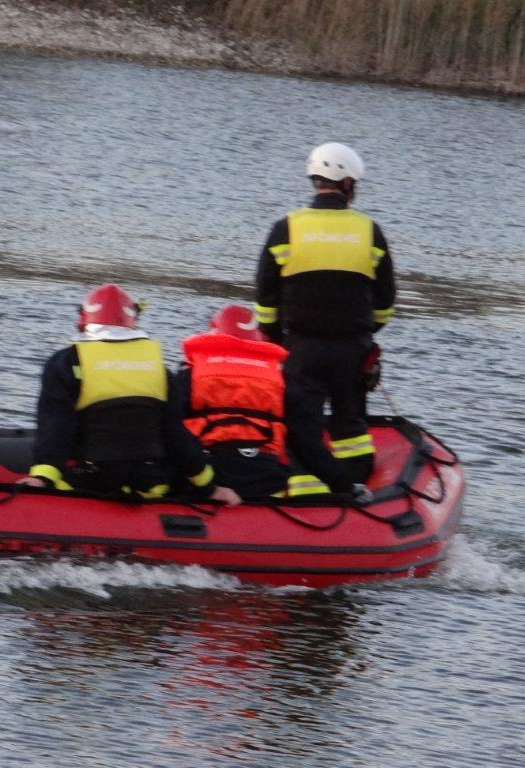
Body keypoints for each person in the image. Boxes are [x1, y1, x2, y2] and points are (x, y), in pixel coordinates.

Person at [253, 142, 396, 499]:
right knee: (351, 424)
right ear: (347, 183)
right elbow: (386, 300)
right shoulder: (369, 231)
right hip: (352, 348)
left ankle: (304, 489)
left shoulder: (285, 228)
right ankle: (356, 486)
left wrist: (277, 341)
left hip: (300, 347)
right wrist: (365, 331)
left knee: (303, 423)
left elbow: (265, 297)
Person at [19, 284, 240, 507]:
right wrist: (209, 488)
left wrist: (42, 478)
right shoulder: (158, 369)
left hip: (91, 484)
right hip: (150, 487)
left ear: (83, 320)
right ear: (133, 320)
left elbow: (57, 428)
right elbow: (176, 437)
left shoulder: (66, 363)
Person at [179, 305, 331, 499]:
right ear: (258, 338)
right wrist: (346, 487)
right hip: (263, 477)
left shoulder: (189, 378)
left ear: (213, 334)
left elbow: (173, 433)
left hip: (210, 476)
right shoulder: (281, 383)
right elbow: (309, 447)